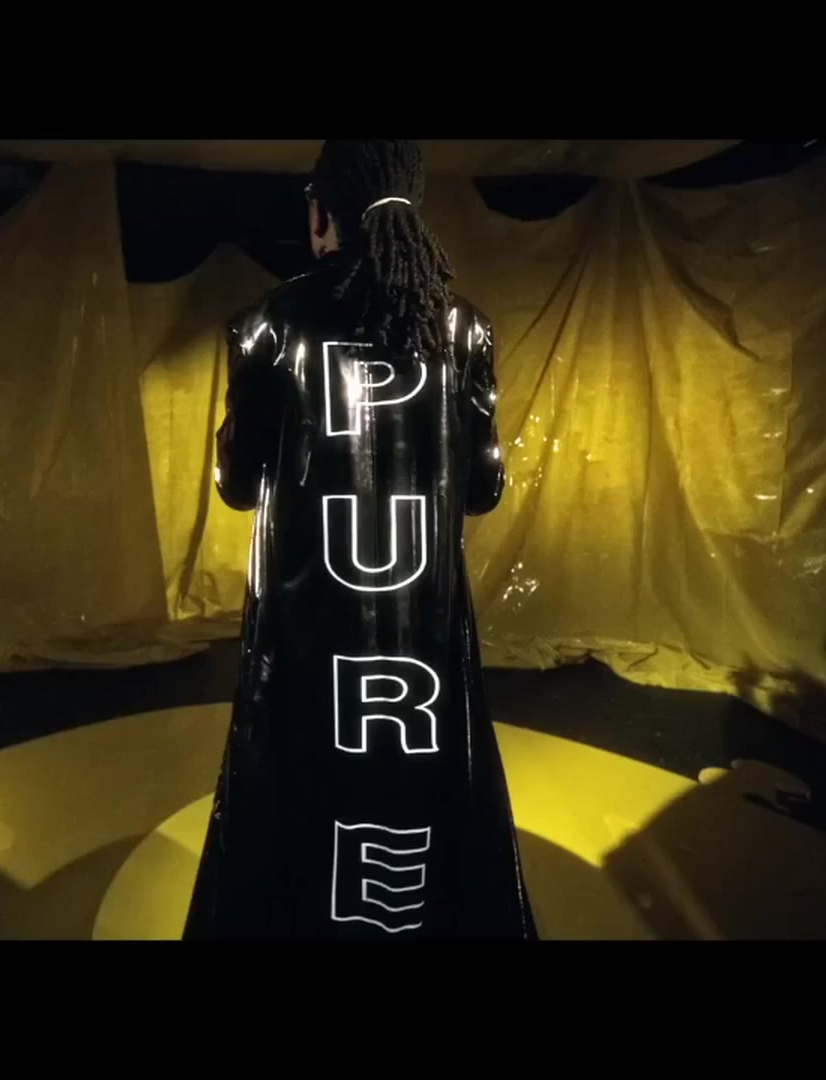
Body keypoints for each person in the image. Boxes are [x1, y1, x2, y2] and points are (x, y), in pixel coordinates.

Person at [183, 140, 536, 939]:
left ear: (320, 213)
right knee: (430, 800)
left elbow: (238, 485)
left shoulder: (270, 324)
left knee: (297, 798)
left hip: (309, 640)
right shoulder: (462, 328)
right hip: (421, 653)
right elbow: (483, 490)